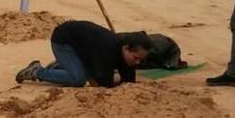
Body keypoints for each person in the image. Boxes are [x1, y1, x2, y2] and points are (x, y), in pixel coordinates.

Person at [15, 21, 151, 88]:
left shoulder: (127, 56)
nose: (137, 62)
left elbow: (128, 81)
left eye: (140, 60)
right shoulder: (107, 49)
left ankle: (61, 66)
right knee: (78, 80)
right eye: (136, 58)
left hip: (84, 49)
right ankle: (37, 71)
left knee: (88, 73)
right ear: (126, 48)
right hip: (63, 40)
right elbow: (102, 84)